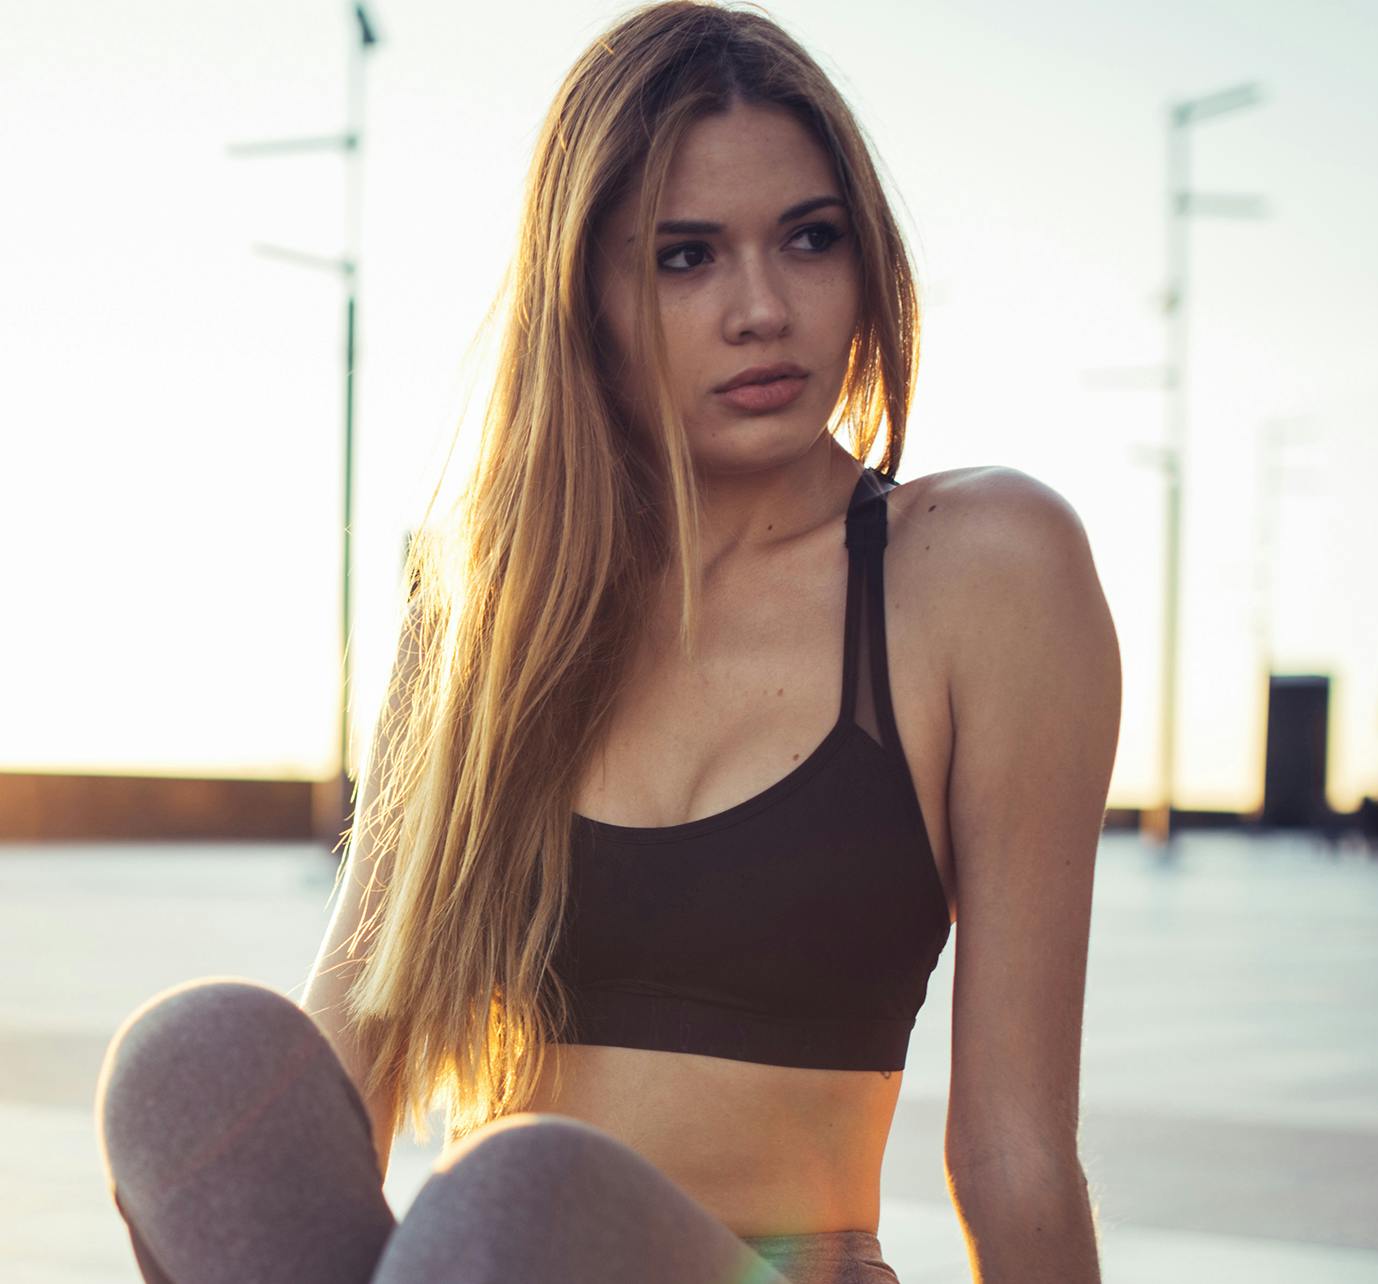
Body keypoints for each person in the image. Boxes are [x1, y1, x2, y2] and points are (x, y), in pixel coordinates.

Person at [94, 2, 1122, 1281]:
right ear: (581, 293)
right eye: (684, 258)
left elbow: (1013, 1150)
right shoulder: (488, 594)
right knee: (196, 1062)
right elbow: (351, 1043)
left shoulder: (980, 569)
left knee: (522, 1203)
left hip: (731, 1262)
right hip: (483, 1257)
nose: (762, 309)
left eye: (810, 239)